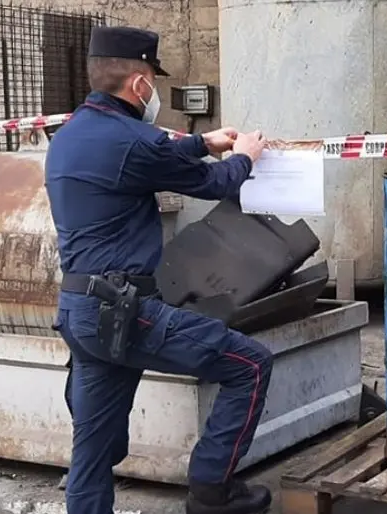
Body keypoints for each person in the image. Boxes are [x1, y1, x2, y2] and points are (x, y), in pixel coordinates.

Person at [44, 25, 274, 514]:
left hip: (80, 314)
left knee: (91, 451)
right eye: (154, 80)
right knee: (250, 364)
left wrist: (200, 140)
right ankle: (213, 491)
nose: (156, 93)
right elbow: (213, 185)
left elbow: (151, 153)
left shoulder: (70, 135)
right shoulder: (132, 142)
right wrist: (244, 159)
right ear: (140, 84)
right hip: (126, 314)